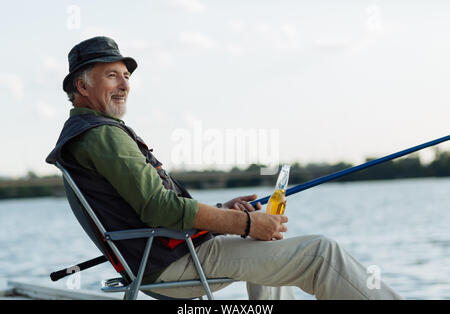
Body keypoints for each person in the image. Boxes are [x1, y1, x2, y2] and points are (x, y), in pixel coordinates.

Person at [47, 36, 403, 300]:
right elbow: (159, 208)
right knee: (322, 254)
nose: (125, 85)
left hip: (161, 258)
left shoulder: (88, 135)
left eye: (126, 76)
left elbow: (149, 209)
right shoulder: (102, 136)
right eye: (112, 75)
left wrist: (223, 214)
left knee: (266, 257)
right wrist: (246, 224)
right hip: (174, 264)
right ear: (82, 85)